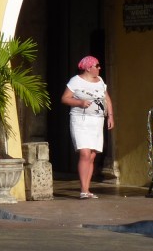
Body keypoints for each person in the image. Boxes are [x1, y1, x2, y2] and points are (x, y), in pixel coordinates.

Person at [61, 55, 113, 199]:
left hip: (97, 121)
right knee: (84, 153)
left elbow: (106, 98)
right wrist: (79, 103)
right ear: (89, 68)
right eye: (97, 66)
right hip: (81, 120)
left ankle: (87, 189)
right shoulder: (75, 81)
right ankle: (83, 190)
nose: (99, 68)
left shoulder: (100, 81)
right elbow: (65, 98)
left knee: (92, 155)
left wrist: (111, 116)